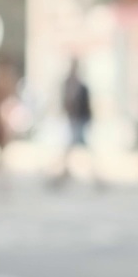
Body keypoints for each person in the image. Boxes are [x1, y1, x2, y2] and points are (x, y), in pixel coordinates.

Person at [51, 58, 94, 188]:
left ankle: (62, 175)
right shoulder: (68, 83)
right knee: (70, 149)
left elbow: (86, 105)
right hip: (72, 120)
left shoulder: (81, 86)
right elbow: (65, 102)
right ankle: (61, 175)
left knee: (76, 149)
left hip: (79, 120)